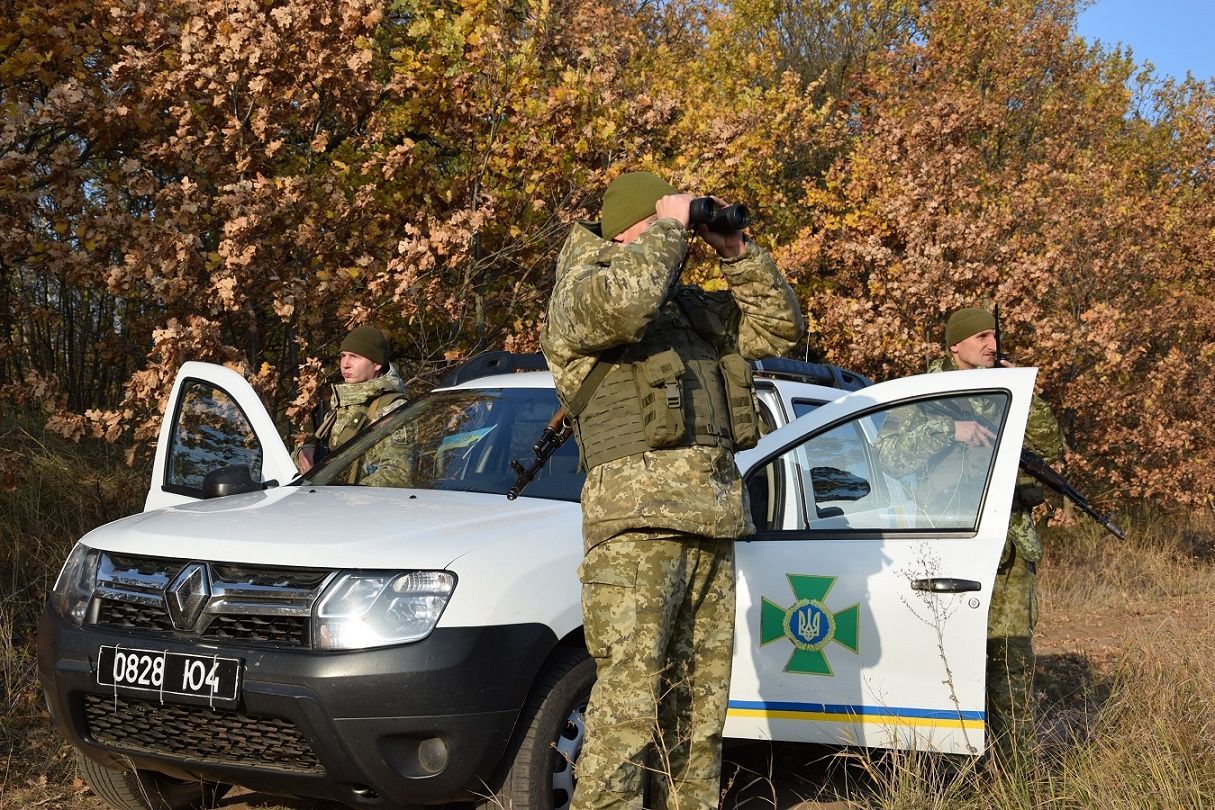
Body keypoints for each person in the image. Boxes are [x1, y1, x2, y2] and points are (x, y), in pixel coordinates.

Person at [540, 171, 805, 809]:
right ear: (631, 228)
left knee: (698, 716)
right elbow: (627, 304)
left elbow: (780, 331)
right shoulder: (581, 291)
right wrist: (669, 224)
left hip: (711, 520)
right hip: (635, 528)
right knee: (628, 713)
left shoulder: (688, 310)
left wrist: (736, 251)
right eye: (662, 224)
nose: (680, 236)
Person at [877, 306, 1065, 765]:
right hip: (945, 547)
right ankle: (936, 768)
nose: (992, 345)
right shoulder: (924, 393)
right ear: (954, 345)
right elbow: (889, 457)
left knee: (1010, 663)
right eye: (982, 337)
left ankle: (1014, 770)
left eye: (994, 336)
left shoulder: (1005, 389)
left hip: (1009, 545)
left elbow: (1052, 446)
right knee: (941, 659)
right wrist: (950, 430)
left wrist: (1026, 389)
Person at [295, 325, 408, 477]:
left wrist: (349, 497)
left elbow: (397, 474)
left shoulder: (391, 408)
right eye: (343, 356)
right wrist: (303, 452)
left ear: (377, 364)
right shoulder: (340, 405)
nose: (345, 364)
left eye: (354, 356)